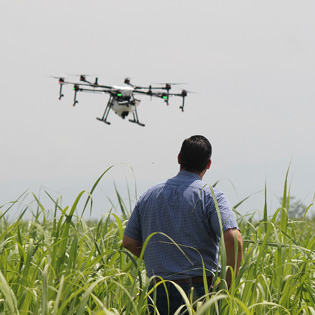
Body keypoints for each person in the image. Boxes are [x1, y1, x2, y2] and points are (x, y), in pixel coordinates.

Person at [123, 135, 243, 314]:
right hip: (200, 292)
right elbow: (233, 239)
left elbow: (129, 242)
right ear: (208, 164)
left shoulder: (149, 195)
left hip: (158, 290)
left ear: (179, 158)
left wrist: (161, 258)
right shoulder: (210, 197)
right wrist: (226, 282)